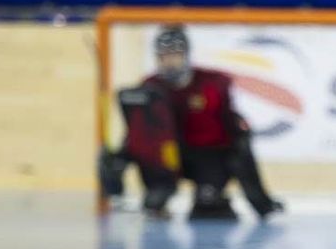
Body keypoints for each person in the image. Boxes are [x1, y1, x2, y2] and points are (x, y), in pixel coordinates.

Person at [99, 25, 284, 221]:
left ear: (186, 55)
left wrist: (258, 197)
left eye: (175, 55)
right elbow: (141, 131)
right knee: (126, 166)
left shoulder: (213, 83)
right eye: (164, 56)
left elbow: (233, 127)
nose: (169, 61)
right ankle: (158, 190)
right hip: (168, 158)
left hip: (209, 157)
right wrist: (121, 156)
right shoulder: (150, 86)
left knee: (209, 209)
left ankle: (225, 197)